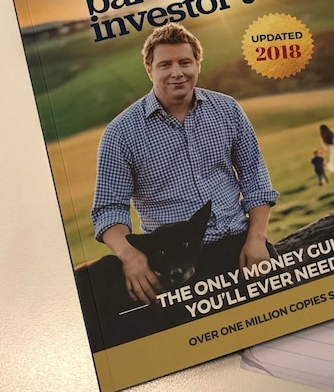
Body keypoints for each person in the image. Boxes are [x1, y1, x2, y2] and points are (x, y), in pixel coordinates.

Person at [91, 22, 279, 305]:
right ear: (149, 69)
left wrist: (257, 239)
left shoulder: (227, 109)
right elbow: (109, 209)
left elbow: (255, 180)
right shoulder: (121, 134)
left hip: (242, 244)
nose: (177, 73)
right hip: (176, 265)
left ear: (198, 65)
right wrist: (130, 257)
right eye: (165, 64)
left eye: (185, 62)